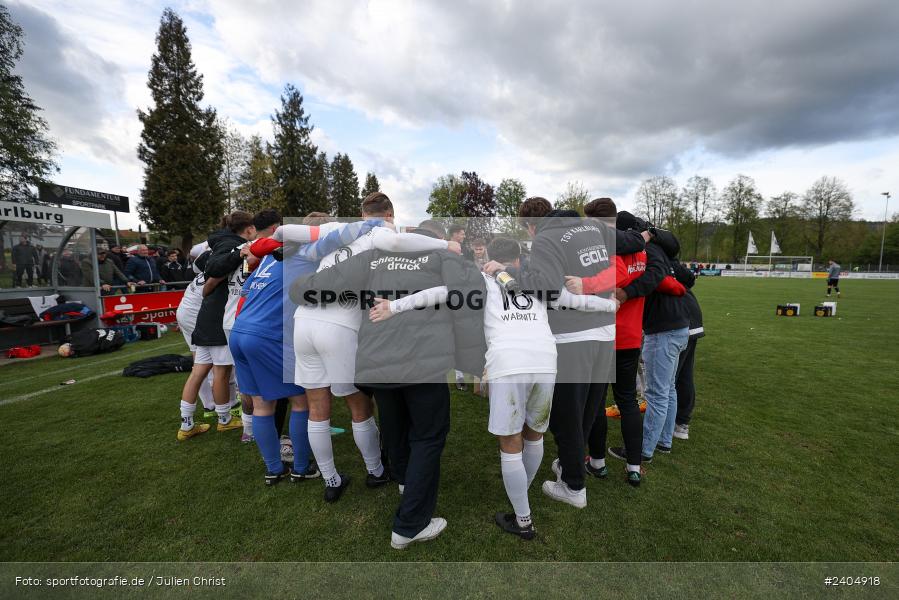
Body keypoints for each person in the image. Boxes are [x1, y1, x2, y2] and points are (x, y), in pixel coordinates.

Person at [378, 235, 616, 538]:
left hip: (508, 363)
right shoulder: (536, 281)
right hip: (546, 361)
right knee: (534, 436)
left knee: (511, 442)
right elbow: (575, 301)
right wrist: (610, 305)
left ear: (488, 256)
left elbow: (441, 293)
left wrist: (394, 306)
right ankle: (522, 498)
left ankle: (523, 518)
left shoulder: (480, 280)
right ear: (519, 258)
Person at [290, 226, 484, 549]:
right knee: (428, 436)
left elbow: (317, 286)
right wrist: (472, 362)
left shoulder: (374, 259)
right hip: (424, 362)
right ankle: (409, 525)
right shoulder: (439, 255)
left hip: (380, 362)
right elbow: (466, 300)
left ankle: (407, 486)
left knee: (396, 429)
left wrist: (297, 286)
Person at [284, 192, 460, 503]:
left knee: (316, 407)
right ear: (389, 214)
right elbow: (395, 245)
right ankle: (376, 469)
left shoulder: (336, 229)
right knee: (359, 407)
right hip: (339, 323)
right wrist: (444, 244)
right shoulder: (380, 231)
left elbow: (286, 233)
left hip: (304, 322)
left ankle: (331, 478)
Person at [483, 198, 646, 509]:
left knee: (566, 415)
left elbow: (548, 288)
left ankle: (574, 486)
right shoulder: (593, 227)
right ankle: (570, 466)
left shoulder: (546, 238)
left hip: (573, 335)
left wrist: (506, 272)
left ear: (532, 226)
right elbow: (634, 242)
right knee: (587, 410)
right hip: (606, 332)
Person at [232, 214, 388, 485]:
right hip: (286, 331)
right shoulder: (315, 252)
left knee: (273, 404)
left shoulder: (274, 255)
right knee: (339, 403)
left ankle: (295, 472)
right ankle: (364, 471)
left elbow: (246, 289)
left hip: (257, 327)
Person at [613, 215, 689, 462]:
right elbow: (679, 280)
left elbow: (660, 278)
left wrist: (626, 292)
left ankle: (644, 450)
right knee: (668, 389)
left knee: (656, 392)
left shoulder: (649, 250)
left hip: (663, 328)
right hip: (677, 326)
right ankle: (664, 441)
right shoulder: (660, 251)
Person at [178, 212, 255, 441]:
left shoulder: (214, 249)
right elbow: (212, 276)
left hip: (203, 318)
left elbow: (204, 265)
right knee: (221, 372)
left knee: (198, 372)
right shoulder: (234, 251)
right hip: (215, 320)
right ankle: (224, 419)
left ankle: (187, 423)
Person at [674, 274, 704, 441]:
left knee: (671, 380)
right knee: (684, 375)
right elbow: (689, 278)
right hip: (691, 319)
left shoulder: (654, 258)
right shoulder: (668, 260)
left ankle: (672, 424)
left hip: (679, 322)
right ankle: (682, 423)